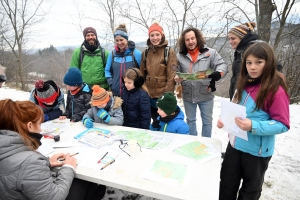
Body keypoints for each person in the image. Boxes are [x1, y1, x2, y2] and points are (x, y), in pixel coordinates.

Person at [217, 42, 290, 200]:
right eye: (249, 63)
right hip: (235, 145)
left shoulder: (275, 90)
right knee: (226, 186)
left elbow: (282, 124)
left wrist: (253, 126)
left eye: (259, 62)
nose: (253, 67)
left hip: (256, 153)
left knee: (249, 192)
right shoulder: (243, 83)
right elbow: (236, 109)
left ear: (268, 62)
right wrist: (225, 120)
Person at [0, 99, 106, 200]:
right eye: (39, 124)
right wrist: (68, 167)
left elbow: (16, 170)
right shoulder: (30, 162)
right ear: (30, 126)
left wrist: (46, 162)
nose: (41, 129)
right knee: (83, 180)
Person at [175, 27, 227, 137]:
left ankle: (206, 144)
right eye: (187, 40)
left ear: (197, 38)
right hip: (188, 94)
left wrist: (219, 73)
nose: (190, 42)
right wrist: (176, 77)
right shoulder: (179, 56)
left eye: (192, 38)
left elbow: (222, 65)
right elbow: (174, 71)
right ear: (184, 42)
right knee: (190, 121)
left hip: (206, 93)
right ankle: (192, 143)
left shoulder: (210, 53)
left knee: (207, 122)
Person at [140, 22, 177, 123]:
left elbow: (171, 76)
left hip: (162, 95)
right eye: (152, 35)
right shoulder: (146, 53)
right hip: (148, 94)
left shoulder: (168, 52)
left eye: (157, 34)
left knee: (165, 121)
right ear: (149, 37)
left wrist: (166, 96)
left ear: (162, 35)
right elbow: (141, 74)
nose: (155, 38)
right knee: (154, 120)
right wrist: (142, 91)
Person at [105, 24, 142, 97]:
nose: (119, 43)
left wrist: (138, 85)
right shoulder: (112, 54)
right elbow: (107, 70)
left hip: (133, 93)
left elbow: (142, 71)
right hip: (116, 93)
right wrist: (111, 83)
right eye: (117, 40)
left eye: (121, 40)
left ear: (126, 39)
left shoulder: (135, 53)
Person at [228, 21, 259, 101]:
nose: (230, 42)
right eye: (229, 39)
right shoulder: (240, 50)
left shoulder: (251, 49)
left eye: (233, 38)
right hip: (239, 95)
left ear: (242, 38)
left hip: (248, 96)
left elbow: (275, 66)